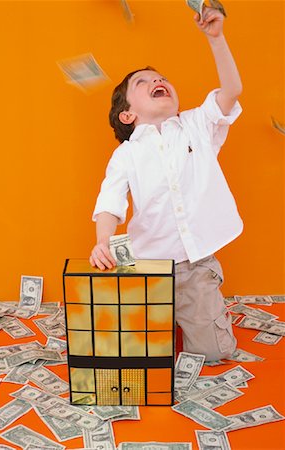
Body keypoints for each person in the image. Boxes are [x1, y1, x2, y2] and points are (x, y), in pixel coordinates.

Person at [90, 6, 242, 361]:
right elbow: (109, 203)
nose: (157, 82)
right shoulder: (126, 155)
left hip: (195, 262)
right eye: (142, 83)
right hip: (145, 265)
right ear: (128, 115)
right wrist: (102, 242)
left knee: (214, 355)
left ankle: (194, 314)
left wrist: (215, 38)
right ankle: (164, 315)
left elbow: (232, 90)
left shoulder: (197, 125)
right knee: (129, 349)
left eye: (160, 78)